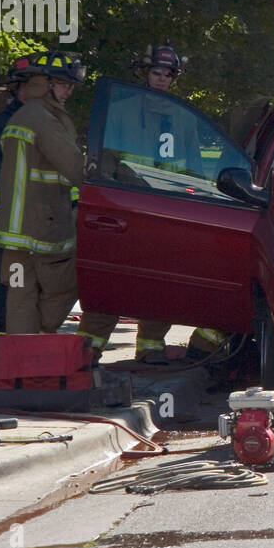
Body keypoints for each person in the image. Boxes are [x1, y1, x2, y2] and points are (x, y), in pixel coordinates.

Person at [78, 44, 210, 364]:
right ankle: (89, 346)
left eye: (168, 74)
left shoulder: (185, 118)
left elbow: (194, 168)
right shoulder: (120, 112)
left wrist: (197, 204)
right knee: (112, 280)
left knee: (162, 280)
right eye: (156, 72)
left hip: (167, 214)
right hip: (126, 211)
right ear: (142, 74)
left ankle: (151, 345)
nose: (162, 79)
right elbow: (104, 161)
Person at [0, 50, 86, 335]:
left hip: (14, 234)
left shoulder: (24, 115)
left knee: (20, 294)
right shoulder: (43, 118)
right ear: (45, 83)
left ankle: (23, 363)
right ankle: (42, 340)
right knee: (71, 281)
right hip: (40, 226)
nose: (68, 91)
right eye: (63, 84)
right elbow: (74, 165)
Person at [0, 53, 40, 354]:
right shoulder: (1, 125)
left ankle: (24, 345)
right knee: (6, 284)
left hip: (37, 223)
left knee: (32, 285)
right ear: (18, 89)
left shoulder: (41, 123)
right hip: (7, 226)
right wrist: (5, 211)